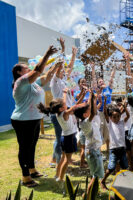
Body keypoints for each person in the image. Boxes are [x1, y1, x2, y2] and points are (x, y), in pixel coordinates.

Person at [11, 45, 57, 187]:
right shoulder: (20, 82)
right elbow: (38, 70)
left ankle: (32, 169)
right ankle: (25, 177)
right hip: (23, 120)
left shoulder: (34, 83)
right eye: (25, 68)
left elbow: (46, 76)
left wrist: (56, 66)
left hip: (34, 119)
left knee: (32, 146)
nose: (28, 68)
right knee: (24, 148)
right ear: (19, 72)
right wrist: (47, 54)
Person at [50, 38, 78, 167]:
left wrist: (73, 55)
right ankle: (55, 160)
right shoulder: (54, 81)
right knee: (60, 136)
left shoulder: (64, 80)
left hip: (66, 111)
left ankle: (65, 158)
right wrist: (62, 48)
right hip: (59, 112)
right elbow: (60, 64)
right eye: (61, 70)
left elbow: (70, 66)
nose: (63, 70)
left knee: (68, 135)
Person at [74, 92, 104, 198]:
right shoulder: (86, 122)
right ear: (85, 114)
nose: (91, 111)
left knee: (95, 174)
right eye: (88, 111)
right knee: (96, 176)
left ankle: (91, 192)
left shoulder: (85, 121)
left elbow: (92, 111)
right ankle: (87, 194)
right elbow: (92, 112)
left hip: (93, 150)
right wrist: (91, 98)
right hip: (93, 152)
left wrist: (92, 97)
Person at [100, 98, 130, 190]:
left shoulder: (121, 122)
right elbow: (105, 113)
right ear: (110, 117)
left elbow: (128, 116)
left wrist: (124, 107)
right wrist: (104, 103)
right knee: (111, 167)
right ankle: (103, 181)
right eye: (114, 117)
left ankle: (122, 183)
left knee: (125, 167)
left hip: (122, 149)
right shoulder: (110, 124)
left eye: (118, 116)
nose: (116, 118)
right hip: (113, 149)